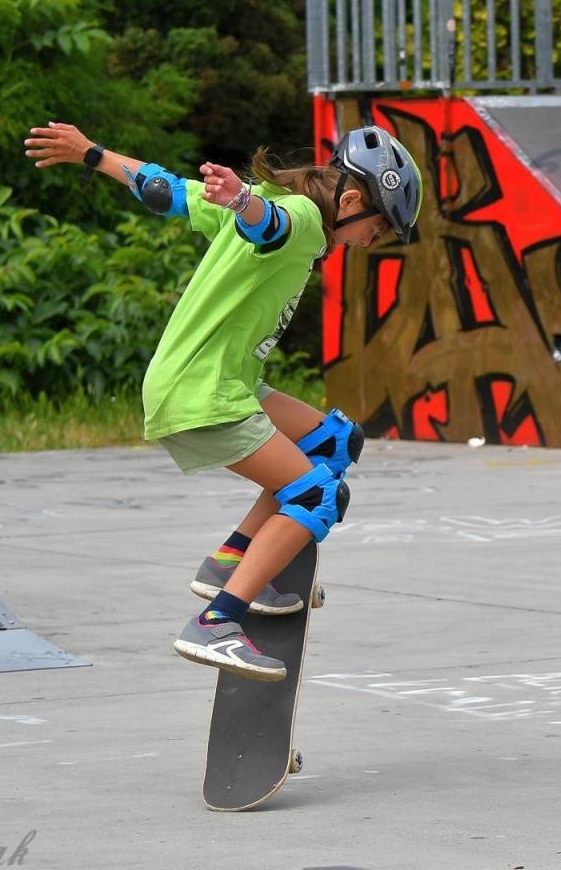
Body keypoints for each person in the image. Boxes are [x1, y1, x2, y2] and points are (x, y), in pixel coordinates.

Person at [25, 121, 423, 680]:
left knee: (336, 443)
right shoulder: (303, 218)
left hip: (225, 382)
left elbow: (165, 191)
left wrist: (92, 153)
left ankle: (231, 561)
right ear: (352, 200)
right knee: (318, 495)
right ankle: (217, 620)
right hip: (202, 393)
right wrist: (242, 201)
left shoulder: (269, 200)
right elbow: (272, 229)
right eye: (376, 229)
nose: (369, 242)